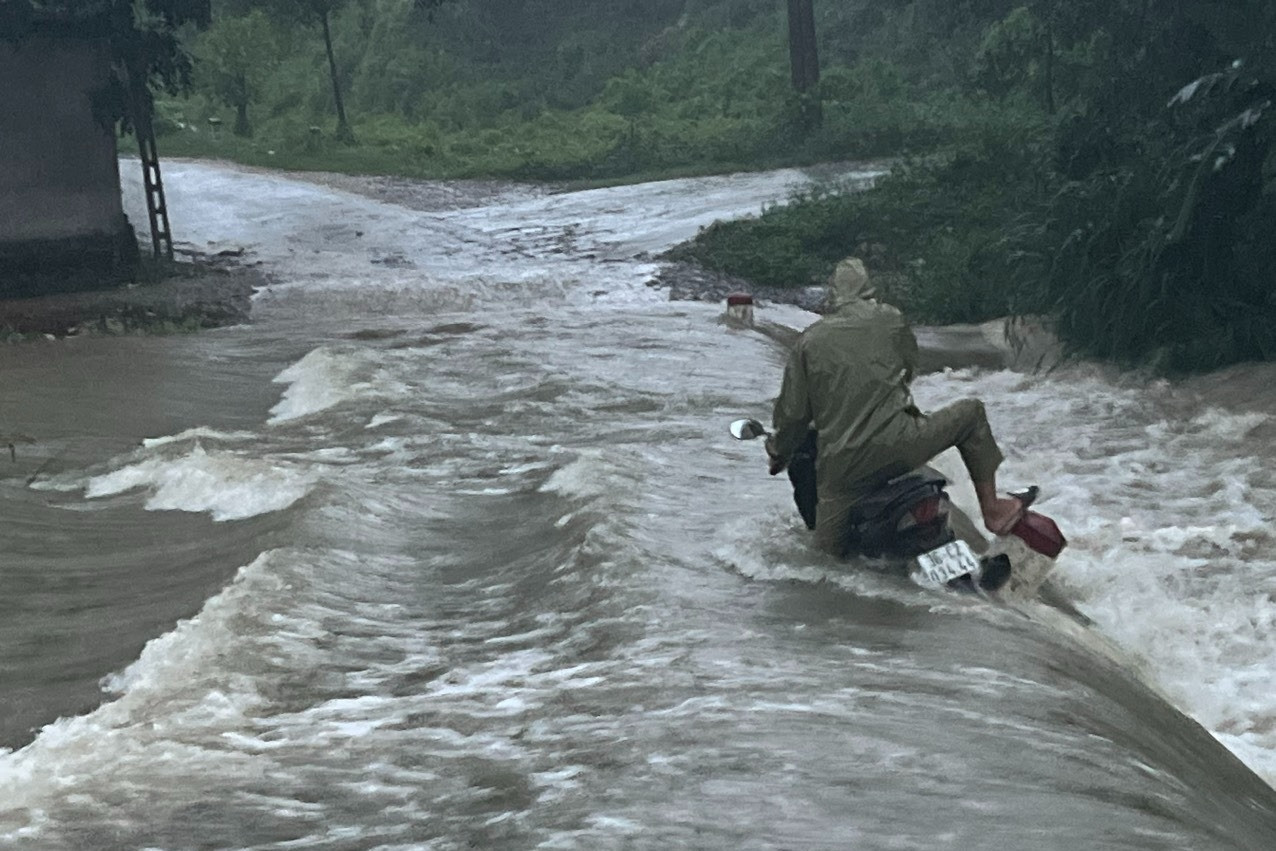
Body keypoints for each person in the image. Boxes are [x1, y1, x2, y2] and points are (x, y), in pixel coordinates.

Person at [764, 257, 1028, 556]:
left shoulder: (808, 342)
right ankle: (993, 510)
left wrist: (778, 452)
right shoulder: (891, 319)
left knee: (825, 560)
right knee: (972, 413)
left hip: (843, 469)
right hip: (904, 445)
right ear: (869, 288)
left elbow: (793, 417)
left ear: (832, 294)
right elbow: (909, 368)